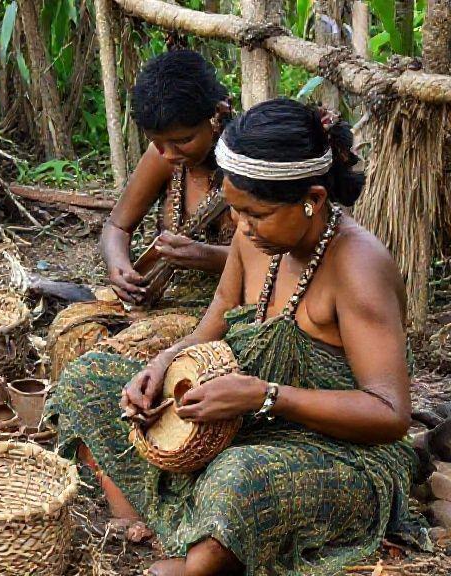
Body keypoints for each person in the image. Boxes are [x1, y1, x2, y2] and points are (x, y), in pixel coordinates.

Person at [46, 98, 429, 575]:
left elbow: (390, 415)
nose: (242, 228)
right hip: (246, 424)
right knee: (89, 378)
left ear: (314, 198)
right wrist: (160, 365)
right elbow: (211, 328)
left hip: (337, 452)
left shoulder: (358, 266)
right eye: (236, 211)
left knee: (238, 480)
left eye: (257, 214)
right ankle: (150, 527)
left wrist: (265, 396)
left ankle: (198, 553)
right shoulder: (253, 240)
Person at [101, 50, 235, 308]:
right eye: (156, 142)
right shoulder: (162, 157)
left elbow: (273, 259)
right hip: (161, 300)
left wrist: (209, 257)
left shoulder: (245, 165)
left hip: (229, 307)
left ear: (217, 114)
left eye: (184, 140)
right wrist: (118, 266)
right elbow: (116, 227)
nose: (169, 154)